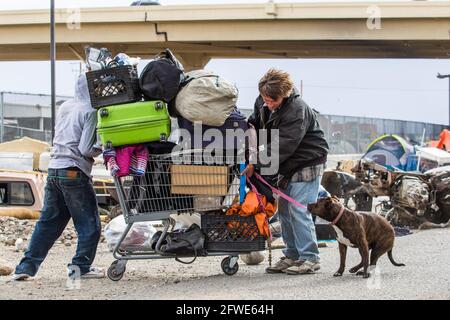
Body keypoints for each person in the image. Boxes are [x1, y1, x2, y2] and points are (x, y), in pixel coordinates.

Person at [13, 74, 104, 281]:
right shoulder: (91, 111)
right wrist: (102, 148)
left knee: (48, 223)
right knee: (90, 225)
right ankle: (80, 267)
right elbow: (86, 148)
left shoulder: (66, 106)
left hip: (54, 169)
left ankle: (25, 268)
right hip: (74, 171)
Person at [245, 68, 329, 275]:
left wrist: (255, 164)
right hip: (286, 163)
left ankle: (310, 258)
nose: (268, 104)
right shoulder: (263, 101)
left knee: (298, 209)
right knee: (284, 211)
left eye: (273, 100)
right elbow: (254, 124)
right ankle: (292, 255)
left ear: (286, 94)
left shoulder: (297, 110)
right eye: (265, 99)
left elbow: (282, 146)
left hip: (307, 161)